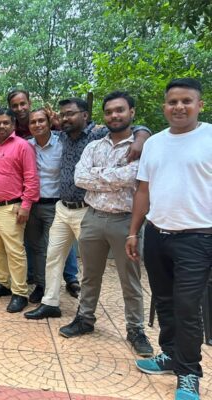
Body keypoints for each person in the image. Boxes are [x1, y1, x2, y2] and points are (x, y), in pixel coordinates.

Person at [25, 98, 150, 320]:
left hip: (87, 210)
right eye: (63, 115)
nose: (66, 118)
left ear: (85, 115)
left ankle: (87, 313)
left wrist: (141, 137)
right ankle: (50, 303)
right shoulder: (62, 136)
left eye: (71, 114)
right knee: (53, 257)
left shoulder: (97, 135)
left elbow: (133, 129)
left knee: (91, 267)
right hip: (62, 208)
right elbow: (79, 177)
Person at [127, 78, 212, 400]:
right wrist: (134, 231)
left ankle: (189, 373)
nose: (179, 107)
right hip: (157, 234)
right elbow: (143, 190)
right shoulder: (155, 143)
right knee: (163, 300)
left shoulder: (209, 137)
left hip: (199, 237)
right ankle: (170, 354)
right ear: (164, 106)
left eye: (186, 101)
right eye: (173, 102)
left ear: (199, 104)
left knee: (188, 306)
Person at [57, 91, 153, 357]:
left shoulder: (142, 146)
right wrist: (114, 177)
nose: (114, 115)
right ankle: (85, 319)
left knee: (130, 279)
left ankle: (135, 329)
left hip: (125, 221)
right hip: (93, 217)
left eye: (120, 110)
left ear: (132, 112)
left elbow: (133, 176)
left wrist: (98, 176)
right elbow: (80, 178)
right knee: (90, 275)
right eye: (109, 112)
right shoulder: (94, 146)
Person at [8, 89, 80, 297]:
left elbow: (81, 133)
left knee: (53, 248)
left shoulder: (62, 141)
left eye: (41, 121)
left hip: (55, 204)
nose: (37, 125)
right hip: (31, 204)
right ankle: (41, 285)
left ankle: (65, 281)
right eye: (33, 122)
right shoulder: (25, 145)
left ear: (49, 123)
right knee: (37, 247)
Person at [0, 108, 39, 313]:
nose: (1, 126)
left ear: (13, 124)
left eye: (6, 122)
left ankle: (20, 292)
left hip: (10, 208)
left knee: (15, 251)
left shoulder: (23, 146)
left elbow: (31, 178)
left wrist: (26, 206)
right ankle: (3, 283)